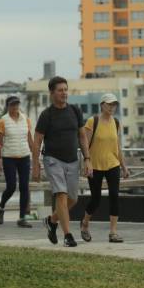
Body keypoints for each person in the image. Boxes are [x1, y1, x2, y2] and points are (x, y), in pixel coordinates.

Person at [32, 76, 91, 247]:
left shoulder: (75, 111)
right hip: (53, 160)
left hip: (73, 161)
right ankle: (68, 235)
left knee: (73, 198)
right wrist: (35, 165)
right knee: (62, 195)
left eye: (66, 89)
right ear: (52, 93)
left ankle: (51, 221)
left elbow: (82, 136)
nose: (64, 93)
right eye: (60, 90)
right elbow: (37, 141)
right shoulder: (46, 115)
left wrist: (87, 159)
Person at [80, 93, 130, 243]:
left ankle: (113, 232)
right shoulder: (92, 121)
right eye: (109, 104)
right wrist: (86, 162)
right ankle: (85, 224)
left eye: (114, 104)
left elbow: (117, 147)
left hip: (112, 164)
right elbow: (84, 144)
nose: (112, 107)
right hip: (95, 166)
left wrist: (124, 167)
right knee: (96, 199)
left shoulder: (116, 123)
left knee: (114, 196)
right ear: (102, 105)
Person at [0, 96, 34, 228]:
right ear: (8, 106)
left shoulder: (26, 119)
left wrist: (36, 157)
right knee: (11, 186)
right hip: (9, 157)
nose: (15, 107)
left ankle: (22, 218)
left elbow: (30, 139)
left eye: (17, 104)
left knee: (24, 187)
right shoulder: (3, 121)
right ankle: (1, 206)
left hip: (24, 157)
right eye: (12, 105)